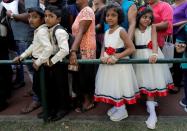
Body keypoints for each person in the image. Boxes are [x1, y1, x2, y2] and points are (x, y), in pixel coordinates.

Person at [94, 4, 139, 122]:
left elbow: (131, 48)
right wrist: (102, 55)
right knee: (112, 85)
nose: (110, 18)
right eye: (107, 15)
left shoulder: (121, 31)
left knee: (119, 85)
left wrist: (117, 56)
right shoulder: (107, 31)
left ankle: (122, 109)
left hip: (119, 64)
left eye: (113, 15)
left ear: (119, 17)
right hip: (108, 64)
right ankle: (117, 105)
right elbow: (104, 46)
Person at [133, 5, 174, 129]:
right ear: (139, 17)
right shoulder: (133, 30)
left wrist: (155, 53)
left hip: (151, 56)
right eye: (145, 17)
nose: (147, 20)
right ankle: (149, 104)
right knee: (142, 81)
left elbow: (155, 42)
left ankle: (152, 113)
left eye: (150, 18)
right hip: (138, 57)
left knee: (151, 82)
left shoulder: (152, 28)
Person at [13, 7, 53, 114]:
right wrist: (22, 56)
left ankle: (48, 111)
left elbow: (48, 48)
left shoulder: (41, 32)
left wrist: (38, 62)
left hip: (41, 65)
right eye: (29, 17)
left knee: (43, 88)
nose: (30, 20)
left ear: (42, 19)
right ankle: (47, 109)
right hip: (38, 64)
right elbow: (33, 46)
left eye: (35, 17)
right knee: (39, 88)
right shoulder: (39, 30)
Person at [69, 0, 96, 113]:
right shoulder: (82, 12)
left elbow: (81, 32)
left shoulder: (87, 10)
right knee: (80, 75)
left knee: (85, 76)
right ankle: (84, 99)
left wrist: (73, 51)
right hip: (80, 47)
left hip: (86, 48)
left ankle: (89, 101)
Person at [44, 5, 71, 121]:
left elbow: (65, 50)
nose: (47, 18)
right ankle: (54, 109)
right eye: (45, 16)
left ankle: (63, 108)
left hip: (59, 62)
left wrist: (52, 61)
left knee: (61, 86)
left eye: (51, 16)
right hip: (53, 61)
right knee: (53, 86)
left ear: (58, 19)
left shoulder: (59, 31)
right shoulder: (48, 29)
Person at [4, 0, 35, 89]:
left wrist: (12, 15)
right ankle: (35, 91)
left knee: (31, 68)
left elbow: (30, 15)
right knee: (28, 68)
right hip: (19, 37)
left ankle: (38, 98)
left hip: (25, 38)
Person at [171, 0, 187, 94]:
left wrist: (173, 25)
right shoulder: (172, 5)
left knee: (178, 58)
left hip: (182, 34)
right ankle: (173, 81)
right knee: (172, 57)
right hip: (171, 35)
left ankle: (177, 84)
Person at [0, 3, 13, 112]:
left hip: (2, 41)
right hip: (3, 41)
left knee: (4, 71)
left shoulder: (3, 7)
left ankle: (3, 99)